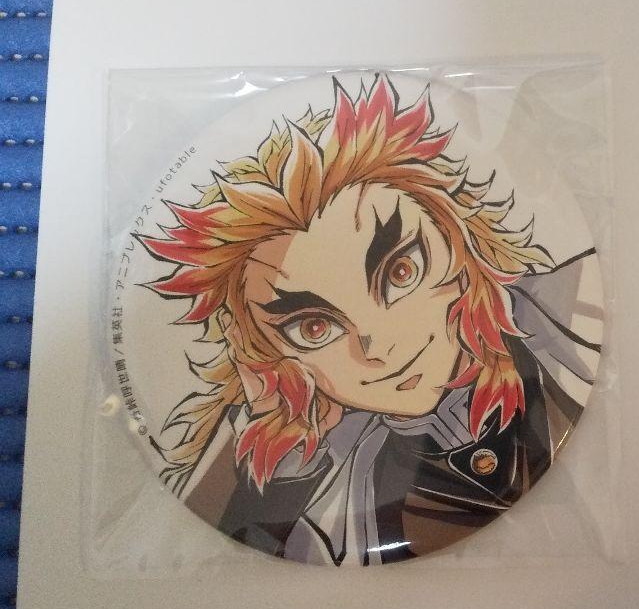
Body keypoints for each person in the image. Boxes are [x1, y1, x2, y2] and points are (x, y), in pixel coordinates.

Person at [139, 75, 601, 564]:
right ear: (269, 354)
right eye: (314, 329)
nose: (378, 346)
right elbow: (210, 547)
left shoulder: (573, 313)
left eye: (400, 272)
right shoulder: (332, 491)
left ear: (457, 237)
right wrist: (278, 441)